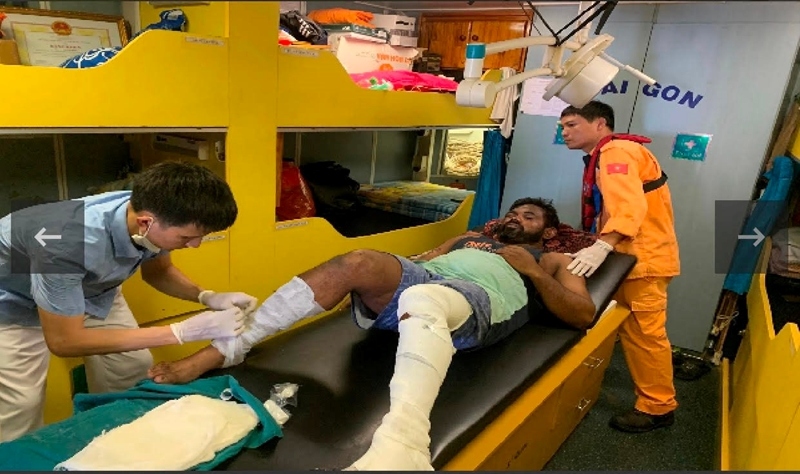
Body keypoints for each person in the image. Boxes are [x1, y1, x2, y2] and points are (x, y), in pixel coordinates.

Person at [148, 197, 596, 471]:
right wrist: (382, 275)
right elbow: (423, 258)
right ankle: (227, 350)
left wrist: (531, 271)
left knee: (425, 301)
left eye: (530, 216)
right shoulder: (470, 236)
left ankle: (404, 445)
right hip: (426, 280)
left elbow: (582, 313)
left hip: (478, 302)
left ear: (549, 231)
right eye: (514, 212)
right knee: (357, 261)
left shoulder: (550, 261)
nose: (517, 218)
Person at [0, 161, 258, 442]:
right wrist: (181, 332)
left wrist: (207, 296)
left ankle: (112, 440)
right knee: (19, 404)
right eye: (186, 237)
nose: (194, 245)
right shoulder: (65, 245)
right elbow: (64, 342)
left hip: (90, 287)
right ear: (146, 223)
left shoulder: (150, 209)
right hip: (14, 299)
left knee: (131, 367)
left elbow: (159, 272)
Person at [560, 100, 681, 433]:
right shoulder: (614, 153)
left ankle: (658, 408)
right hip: (632, 258)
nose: (565, 132)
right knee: (632, 331)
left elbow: (629, 208)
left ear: (600, 124)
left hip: (641, 259)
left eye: (572, 124)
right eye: (563, 127)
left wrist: (602, 246)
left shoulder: (616, 153)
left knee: (646, 336)